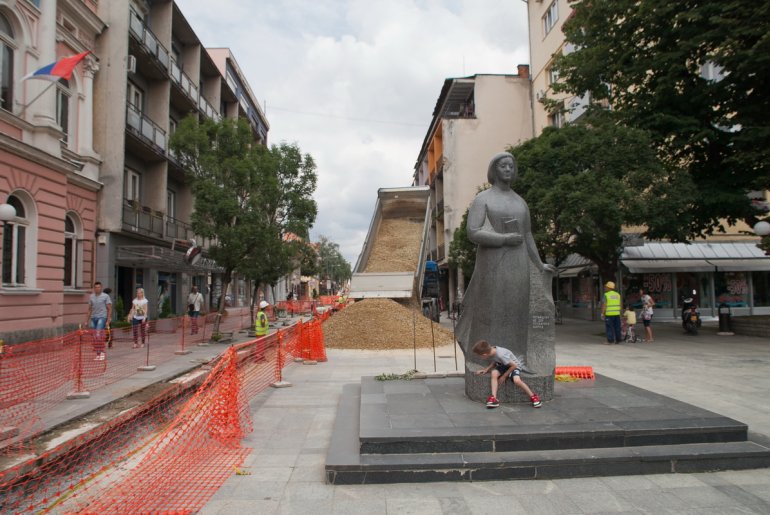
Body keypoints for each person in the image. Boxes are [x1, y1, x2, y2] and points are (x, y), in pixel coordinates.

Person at [455, 152, 555, 362]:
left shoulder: (520, 202)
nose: (508, 169)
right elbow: (473, 232)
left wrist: (539, 264)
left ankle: (517, 358)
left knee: (518, 309)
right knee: (491, 310)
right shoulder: (483, 199)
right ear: (494, 170)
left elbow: (527, 235)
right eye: (503, 166)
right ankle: (486, 357)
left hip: (519, 263)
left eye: (511, 166)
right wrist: (503, 238)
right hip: (493, 263)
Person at [472, 340, 542, 408]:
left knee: (517, 381)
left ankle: (534, 397)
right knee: (494, 373)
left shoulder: (501, 355)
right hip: (505, 365)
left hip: (514, 366)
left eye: (479, 356)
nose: (479, 357)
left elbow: (514, 365)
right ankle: (493, 398)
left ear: (484, 355)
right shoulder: (492, 350)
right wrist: (486, 369)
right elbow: (495, 360)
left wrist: (504, 376)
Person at [85, 281, 112, 360]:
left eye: (99, 287)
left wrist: (108, 320)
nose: (97, 289)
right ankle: (98, 353)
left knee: (98, 334)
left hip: (102, 317)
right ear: (94, 288)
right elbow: (89, 309)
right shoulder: (91, 297)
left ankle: (102, 352)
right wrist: (86, 320)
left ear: (101, 288)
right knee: (95, 336)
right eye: (96, 287)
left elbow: (109, 308)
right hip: (93, 318)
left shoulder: (105, 296)